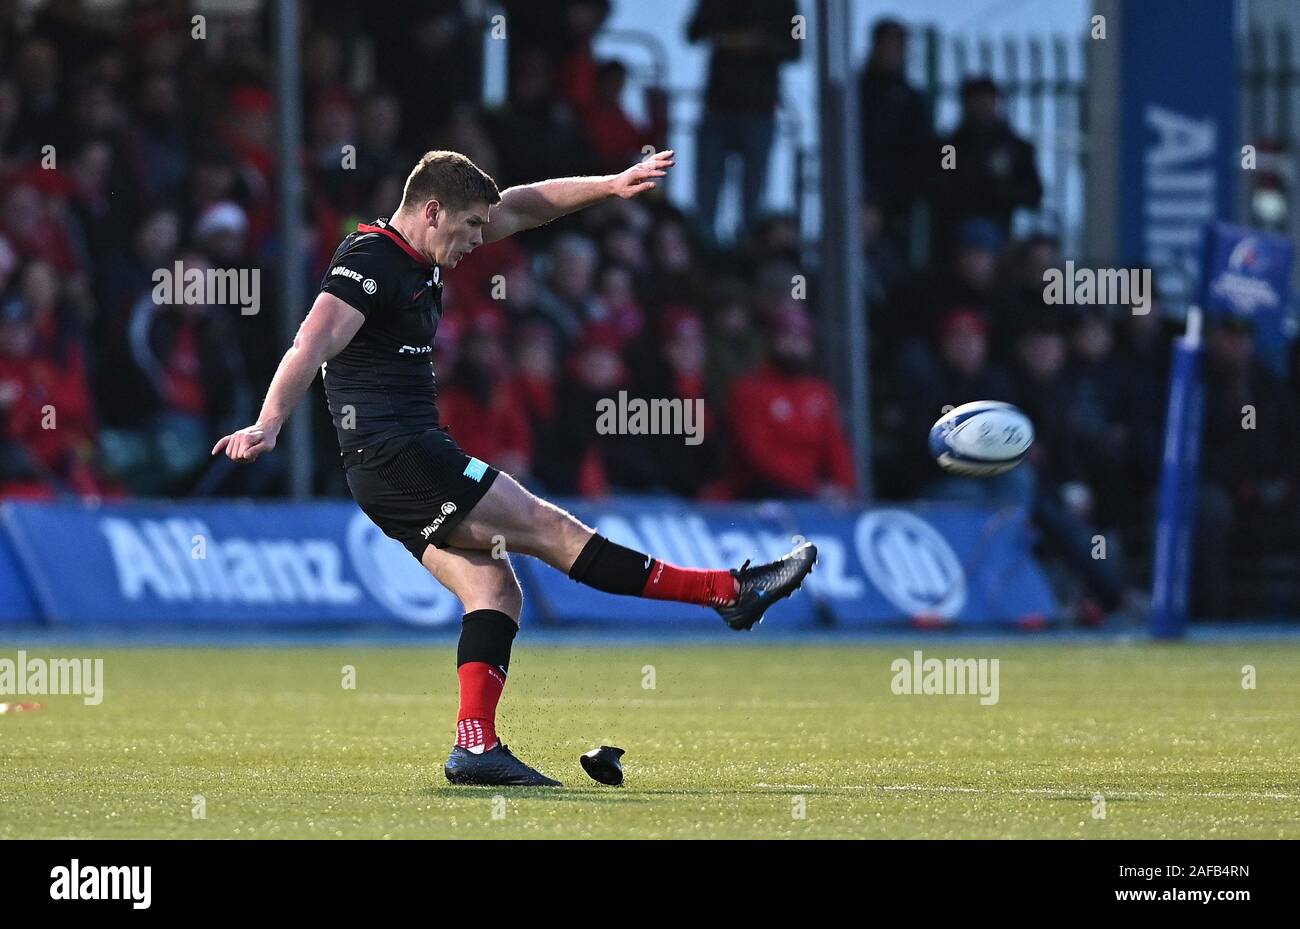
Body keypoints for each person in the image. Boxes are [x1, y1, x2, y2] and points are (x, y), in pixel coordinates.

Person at [213, 149, 817, 787]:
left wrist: (610, 185)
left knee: (495, 591)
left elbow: (526, 204)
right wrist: (269, 422)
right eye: (472, 226)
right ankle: (726, 592)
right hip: (402, 456)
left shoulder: (424, 249)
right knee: (551, 530)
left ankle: (475, 748)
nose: (480, 239)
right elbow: (312, 340)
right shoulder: (370, 262)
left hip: (386, 471)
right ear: (434, 210)